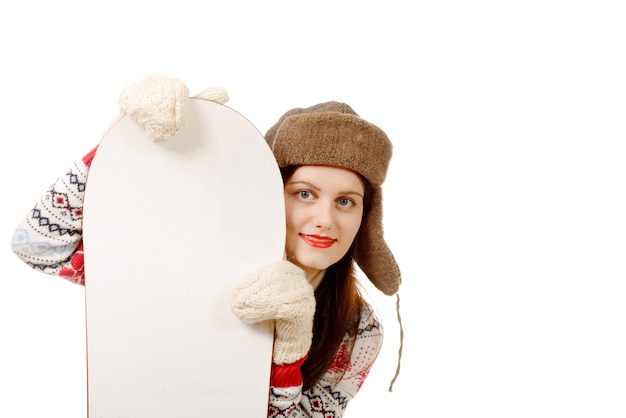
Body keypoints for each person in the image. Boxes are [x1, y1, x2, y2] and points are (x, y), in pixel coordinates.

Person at [10, 76, 402, 417]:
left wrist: (289, 347)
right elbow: (39, 245)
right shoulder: (193, 256)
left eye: (346, 201)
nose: (325, 219)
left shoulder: (357, 329)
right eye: (303, 193)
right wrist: (124, 148)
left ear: (366, 218)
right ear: (264, 194)